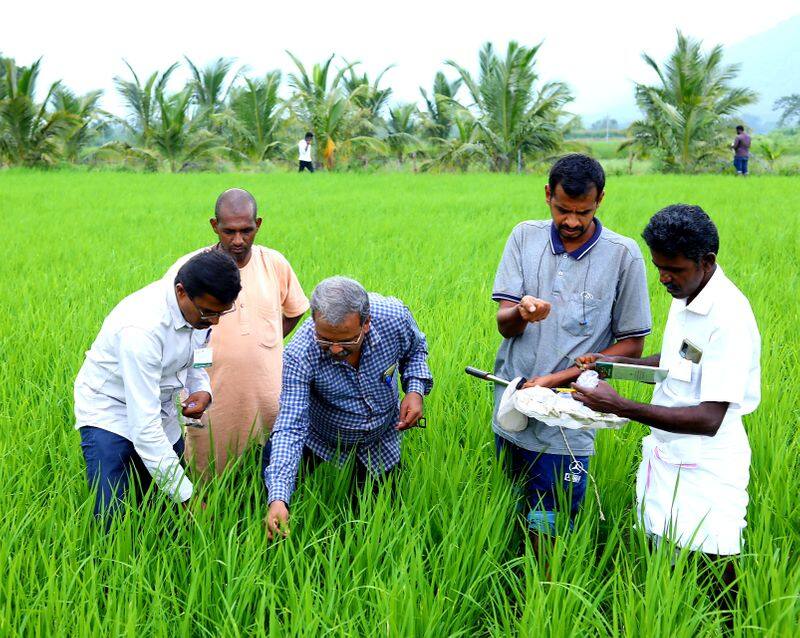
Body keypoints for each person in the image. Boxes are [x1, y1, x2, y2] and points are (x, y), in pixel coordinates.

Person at [573, 204, 760, 599]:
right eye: (659, 267)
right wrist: (616, 364)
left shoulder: (729, 318)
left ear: (706, 262)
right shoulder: (688, 293)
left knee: (715, 567)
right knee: (664, 554)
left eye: (673, 269)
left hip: (708, 463)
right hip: (668, 453)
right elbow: (678, 360)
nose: (664, 278)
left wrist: (619, 405)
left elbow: (710, 417)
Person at [491, 153, 652, 545]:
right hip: (512, 404)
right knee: (510, 505)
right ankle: (514, 581)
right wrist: (523, 313)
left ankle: (547, 591)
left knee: (550, 520)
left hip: (570, 417)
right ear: (548, 195)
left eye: (583, 211)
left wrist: (557, 379)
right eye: (564, 209)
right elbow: (503, 322)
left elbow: (632, 344)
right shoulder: (524, 237)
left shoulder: (622, 255)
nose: (573, 221)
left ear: (600, 200)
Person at [74, 251, 241, 521]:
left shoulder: (199, 312)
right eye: (209, 312)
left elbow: (196, 355)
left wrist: (201, 388)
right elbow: (144, 427)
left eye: (222, 313)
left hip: (159, 405)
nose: (215, 321)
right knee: (112, 516)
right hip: (111, 410)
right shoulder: (142, 330)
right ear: (181, 292)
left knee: (165, 515)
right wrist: (188, 498)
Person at [264, 276, 433, 539]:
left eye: (346, 341)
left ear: (366, 324)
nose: (334, 349)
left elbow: (416, 350)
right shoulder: (300, 352)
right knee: (280, 493)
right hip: (321, 435)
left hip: (380, 438)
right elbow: (291, 425)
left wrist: (415, 389)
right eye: (325, 339)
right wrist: (278, 498)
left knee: (379, 524)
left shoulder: (393, 318)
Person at [166, 188, 309, 476]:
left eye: (246, 230)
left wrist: (267, 340)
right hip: (209, 392)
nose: (238, 240)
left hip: (268, 394)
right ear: (214, 226)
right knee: (206, 471)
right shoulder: (190, 269)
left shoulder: (275, 264)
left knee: (268, 467)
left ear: (258, 225)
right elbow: (168, 324)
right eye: (229, 231)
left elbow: (295, 309)